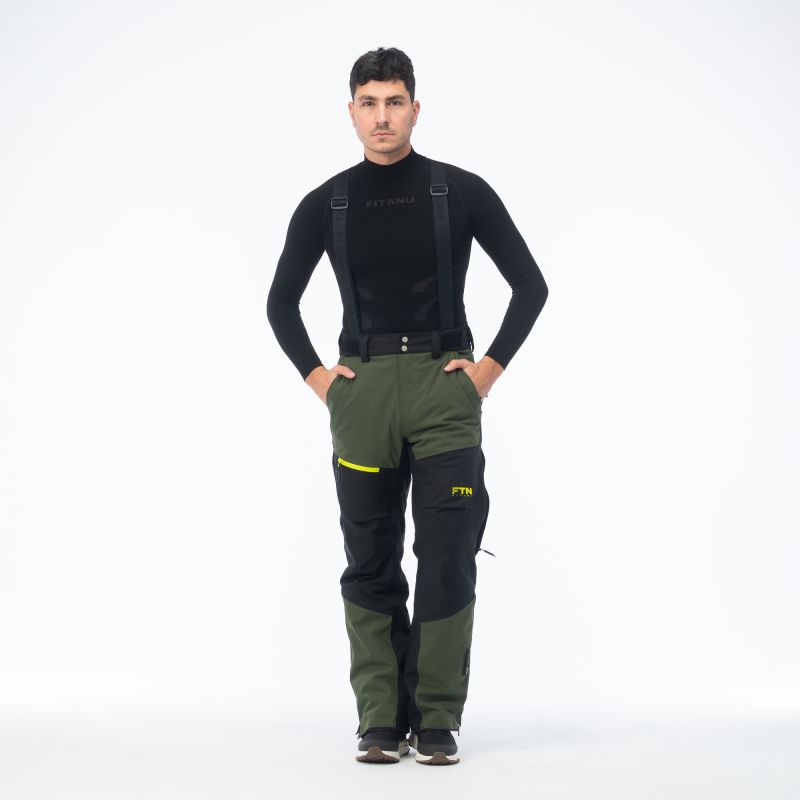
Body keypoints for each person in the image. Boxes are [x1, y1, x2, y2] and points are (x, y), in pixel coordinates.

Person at [266, 46, 548, 765]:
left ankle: (438, 719)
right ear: (351, 112)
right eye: (369, 103)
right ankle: (380, 721)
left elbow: (530, 285)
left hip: (443, 391)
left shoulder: (460, 192)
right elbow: (280, 304)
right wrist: (322, 381)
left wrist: (484, 374)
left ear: (415, 110)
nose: (382, 116)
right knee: (369, 557)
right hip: (360, 397)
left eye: (394, 102)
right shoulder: (326, 202)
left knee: (448, 554)